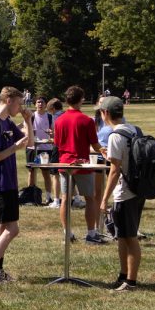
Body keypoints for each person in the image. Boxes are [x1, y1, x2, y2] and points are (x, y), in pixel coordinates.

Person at [0, 87, 31, 284]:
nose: (20, 108)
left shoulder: (7, 122)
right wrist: (14, 148)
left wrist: (28, 120)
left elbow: (29, 143)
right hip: (0, 183)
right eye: (19, 103)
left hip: (10, 181)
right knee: (13, 229)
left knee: (2, 228)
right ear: (9, 100)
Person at [96, 97, 145, 291]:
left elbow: (115, 171)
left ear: (105, 114)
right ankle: (123, 276)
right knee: (123, 236)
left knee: (129, 237)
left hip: (124, 193)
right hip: (137, 189)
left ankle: (131, 281)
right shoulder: (133, 129)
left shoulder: (115, 136)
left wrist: (104, 198)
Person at [53, 86, 108, 245]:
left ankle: (67, 233)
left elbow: (57, 143)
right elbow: (95, 144)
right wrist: (104, 151)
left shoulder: (59, 120)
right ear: (80, 100)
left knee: (65, 199)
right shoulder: (86, 120)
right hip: (83, 165)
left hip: (64, 164)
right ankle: (91, 234)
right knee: (90, 198)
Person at [26, 96, 58, 207]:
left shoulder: (49, 117)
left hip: (45, 148)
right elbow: (26, 131)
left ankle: (48, 197)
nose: (40, 104)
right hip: (32, 148)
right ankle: (30, 196)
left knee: (46, 173)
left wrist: (51, 133)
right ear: (35, 104)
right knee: (31, 171)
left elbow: (54, 133)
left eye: (42, 102)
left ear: (45, 105)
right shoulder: (31, 116)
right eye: (38, 102)